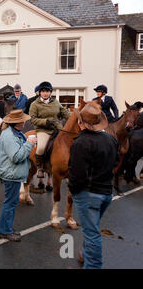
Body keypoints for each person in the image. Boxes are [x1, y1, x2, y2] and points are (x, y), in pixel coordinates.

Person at [68, 102, 119, 269]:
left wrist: (74, 191)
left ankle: (93, 266)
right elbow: (116, 161)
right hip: (106, 192)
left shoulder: (80, 143)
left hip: (89, 194)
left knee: (92, 234)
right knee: (92, 228)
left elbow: (77, 174)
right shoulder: (111, 139)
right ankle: (84, 254)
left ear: (81, 122)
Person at [0, 110, 37, 242]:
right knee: (10, 203)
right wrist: (29, 144)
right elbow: (16, 157)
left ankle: (7, 229)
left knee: (11, 202)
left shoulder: (14, 133)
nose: (25, 122)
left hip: (12, 173)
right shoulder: (9, 136)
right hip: (11, 174)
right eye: (23, 120)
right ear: (17, 122)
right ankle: (5, 231)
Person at [29, 81, 70, 179]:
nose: (45, 93)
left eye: (47, 91)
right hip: (43, 130)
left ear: (50, 92)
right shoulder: (34, 104)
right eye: (43, 91)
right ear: (40, 92)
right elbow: (32, 119)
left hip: (58, 129)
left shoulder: (56, 102)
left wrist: (74, 118)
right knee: (41, 147)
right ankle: (40, 167)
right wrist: (45, 122)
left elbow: (65, 113)